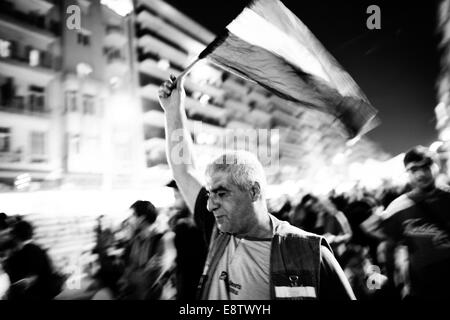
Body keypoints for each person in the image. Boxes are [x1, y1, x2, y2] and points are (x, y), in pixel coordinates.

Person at [158, 75, 355, 300]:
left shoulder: (308, 254)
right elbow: (184, 170)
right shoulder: (219, 231)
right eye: (210, 194)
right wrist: (173, 110)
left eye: (221, 193)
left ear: (254, 191)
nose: (211, 205)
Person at [362, 146, 450, 299]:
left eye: (426, 166)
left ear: (435, 166)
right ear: (407, 173)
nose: (421, 174)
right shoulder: (397, 208)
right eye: (414, 169)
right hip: (423, 287)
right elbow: (385, 243)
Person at [119, 200, 177, 300]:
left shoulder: (162, 240)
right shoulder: (136, 239)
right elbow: (129, 267)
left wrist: (131, 275)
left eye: (132, 216)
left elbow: (150, 278)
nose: (128, 220)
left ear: (141, 219)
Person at [167, 180, 207, 300]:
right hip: (185, 281)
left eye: (177, 196)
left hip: (193, 284)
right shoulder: (181, 223)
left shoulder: (192, 226)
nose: (175, 203)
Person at [4, 220, 63, 300]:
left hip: (35, 294)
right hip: (44, 293)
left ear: (16, 236)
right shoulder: (37, 249)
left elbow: (28, 278)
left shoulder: (25, 252)